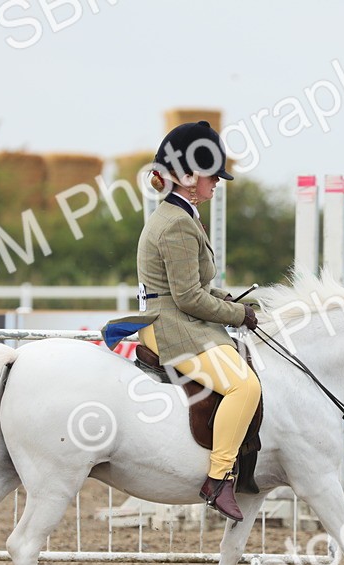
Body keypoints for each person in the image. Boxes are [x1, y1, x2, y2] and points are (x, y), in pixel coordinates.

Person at [102, 121, 261, 521]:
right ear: (189, 177)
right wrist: (237, 314)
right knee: (245, 386)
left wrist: (233, 301)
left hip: (177, 316)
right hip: (171, 328)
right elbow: (189, 298)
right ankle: (219, 477)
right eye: (212, 176)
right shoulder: (175, 224)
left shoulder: (181, 215)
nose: (217, 183)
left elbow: (195, 287)